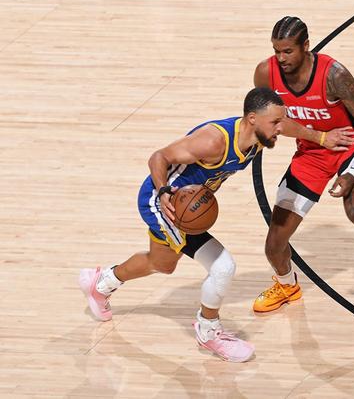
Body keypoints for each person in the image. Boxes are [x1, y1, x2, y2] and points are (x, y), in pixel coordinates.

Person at [78, 88, 287, 363]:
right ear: (252, 119)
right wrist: (164, 191)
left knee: (162, 264)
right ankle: (208, 331)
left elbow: (290, 126)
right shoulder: (213, 141)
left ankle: (101, 283)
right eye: (275, 122)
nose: (281, 128)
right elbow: (158, 157)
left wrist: (322, 137)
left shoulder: (261, 134)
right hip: (166, 204)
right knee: (223, 267)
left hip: (187, 205)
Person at [252, 16, 354, 312]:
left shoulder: (333, 74)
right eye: (276, 51)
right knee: (274, 244)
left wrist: (352, 173)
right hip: (312, 151)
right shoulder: (265, 73)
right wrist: (318, 137)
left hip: (349, 145)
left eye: (288, 51)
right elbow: (268, 122)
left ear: (306, 46)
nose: (281, 58)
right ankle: (287, 286)